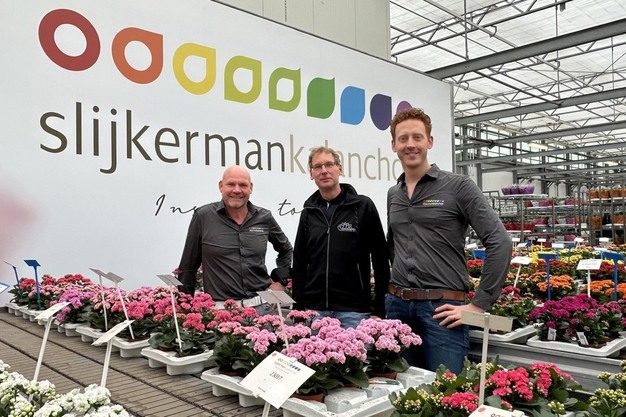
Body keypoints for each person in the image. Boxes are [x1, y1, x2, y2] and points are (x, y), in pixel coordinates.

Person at [386, 108, 511, 374]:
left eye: (417, 137)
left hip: (441, 311)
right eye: (403, 138)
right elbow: (394, 244)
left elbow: (500, 241)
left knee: (445, 389)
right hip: (397, 308)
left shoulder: (458, 187)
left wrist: (479, 304)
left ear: (429, 141)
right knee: (402, 389)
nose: (410, 144)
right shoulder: (393, 194)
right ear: (394, 144)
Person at [291, 146, 390, 328]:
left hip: (354, 312)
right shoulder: (308, 213)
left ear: (340, 168)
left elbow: (380, 259)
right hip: (315, 312)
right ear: (311, 174)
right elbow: (299, 262)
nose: (324, 171)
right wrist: (298, 309)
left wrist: (379, 309)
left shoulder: (362, 206)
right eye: (317, 167)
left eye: (329, 164)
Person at [177, 165, 293, 310]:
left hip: (263, 309)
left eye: (243, 185)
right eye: (231, 184)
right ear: (221, 186)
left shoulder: (264, 217)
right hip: (221, 313)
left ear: (251, 188)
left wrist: (281, 281)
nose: (237, 190)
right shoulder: (203, 217)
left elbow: (286, 249)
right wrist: (184, 308)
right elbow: (187, 268)